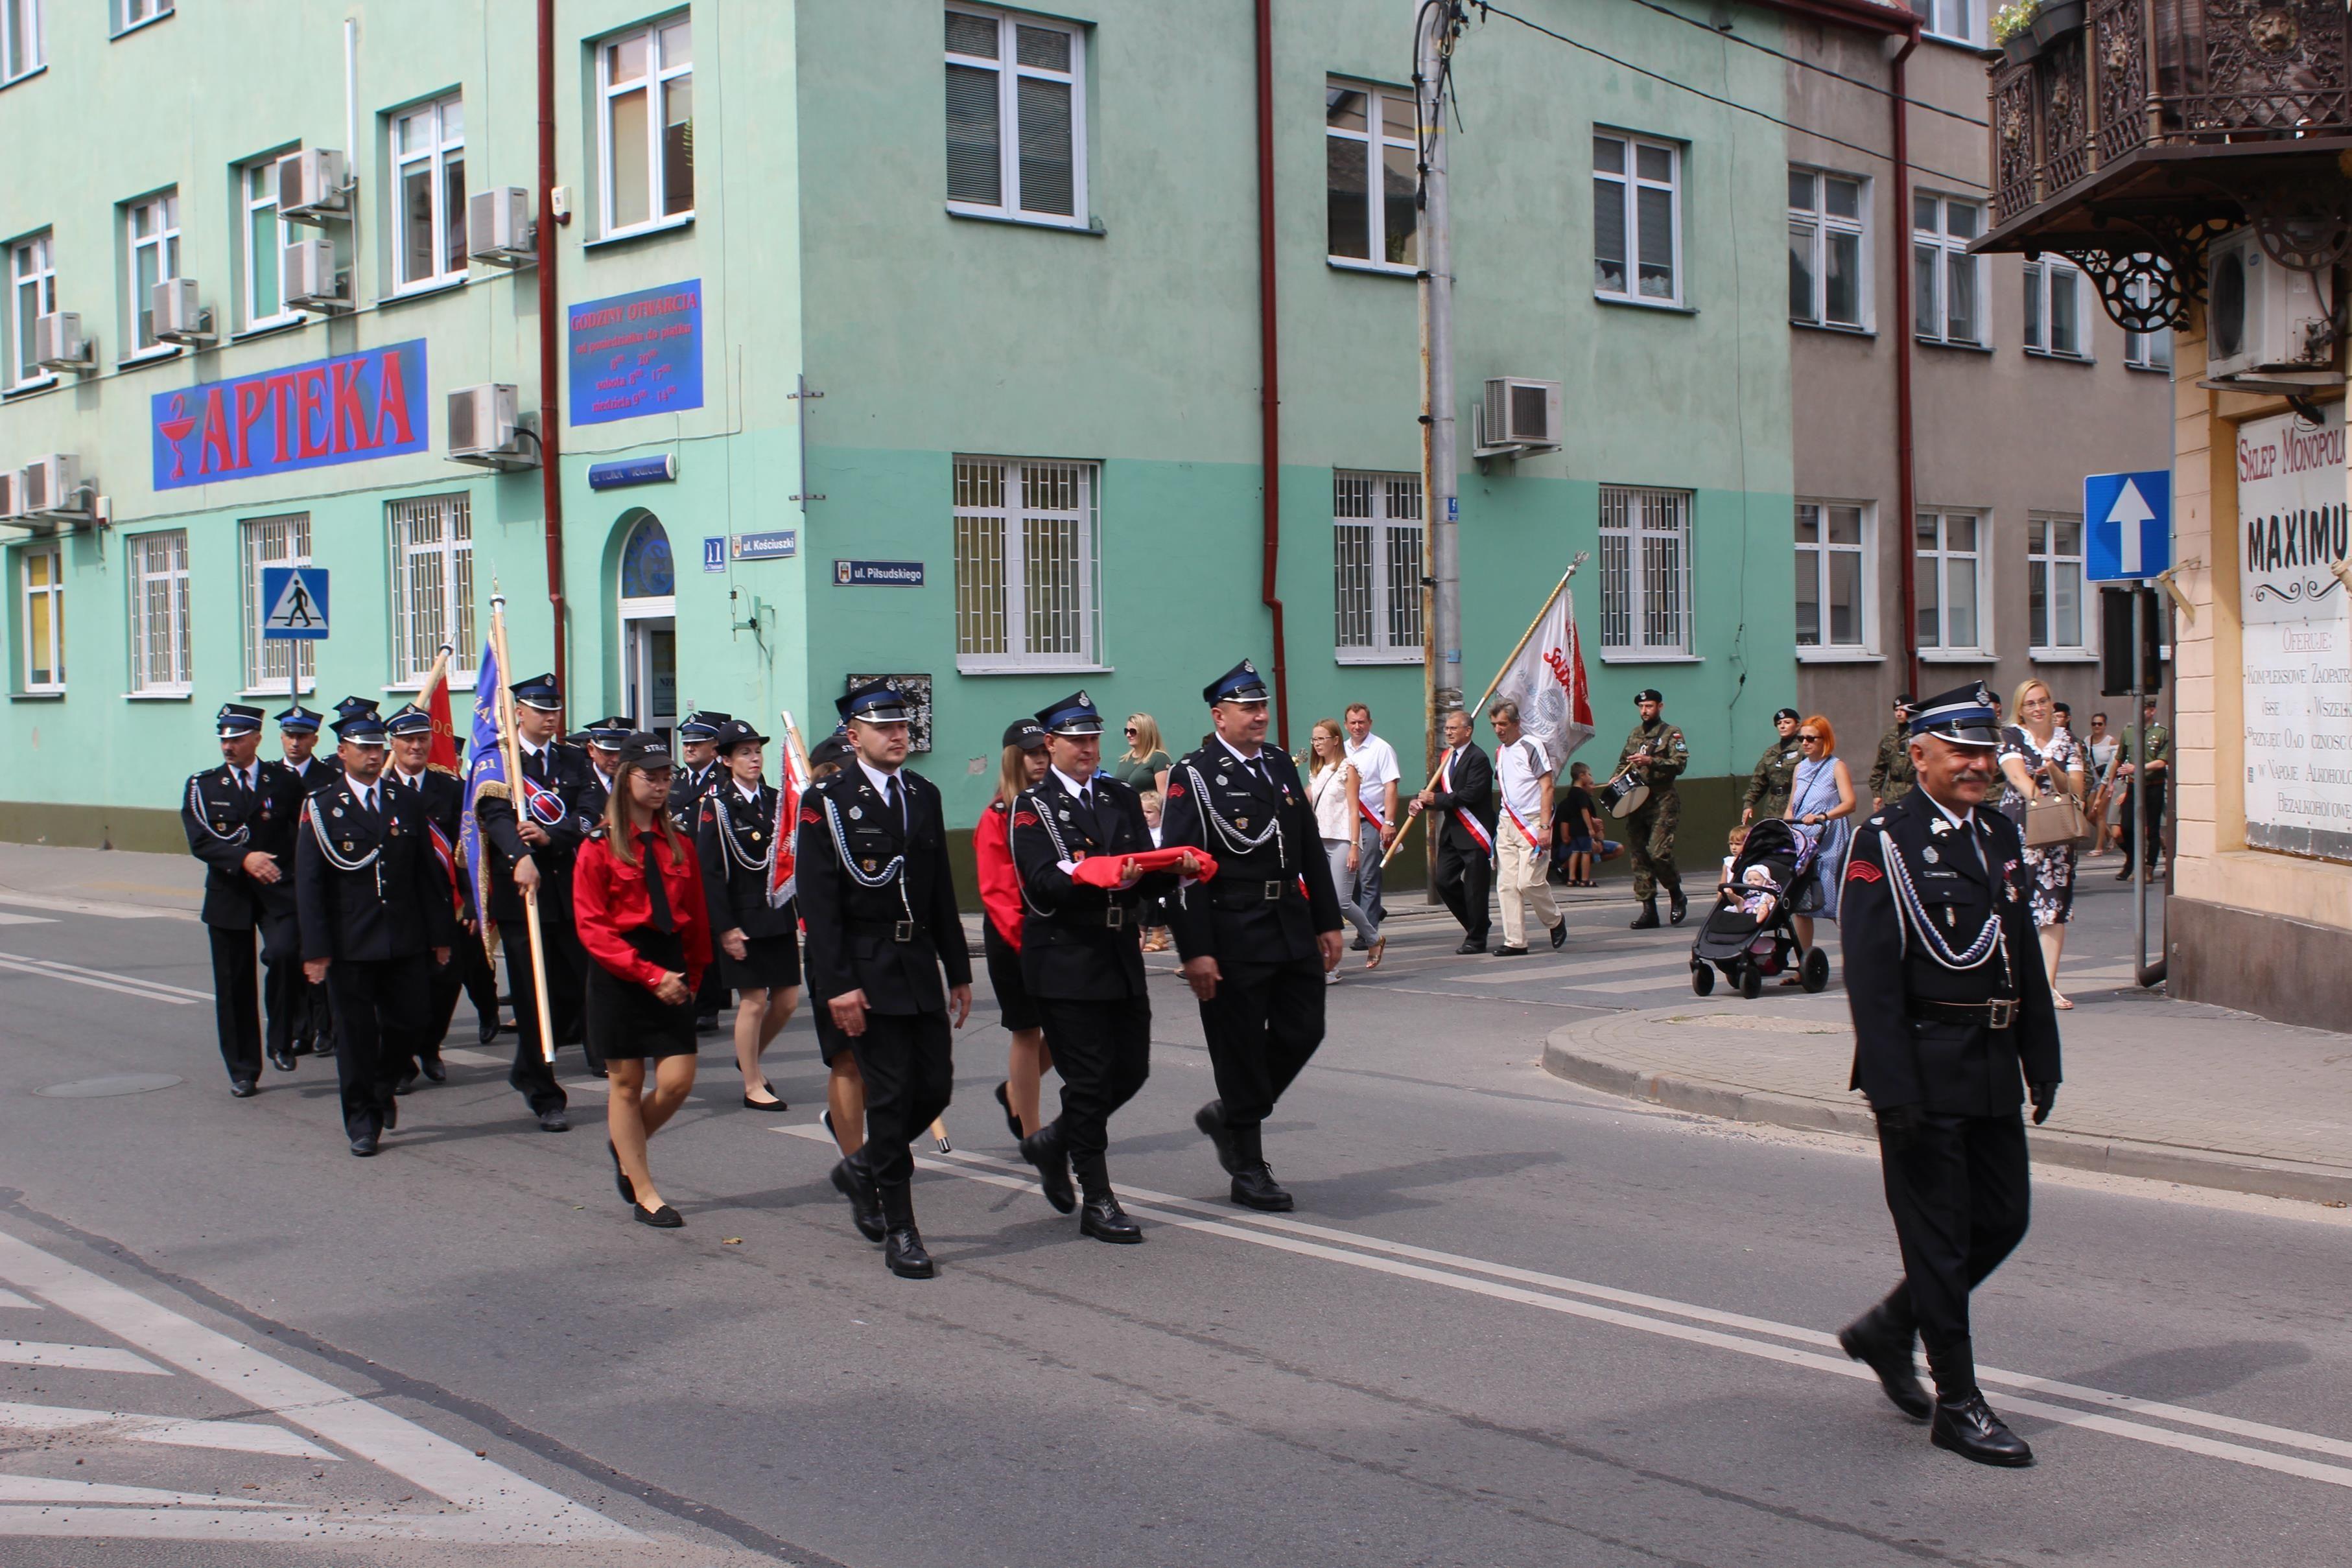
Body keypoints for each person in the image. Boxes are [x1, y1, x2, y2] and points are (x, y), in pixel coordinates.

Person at [1835, 681, 2062, 1468]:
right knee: (1936, 1241)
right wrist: (1892, 1088)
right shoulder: (1886, 843)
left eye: (1983, 751)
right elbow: (1870, 976)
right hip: (1924, 1069)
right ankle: (1957, 1403)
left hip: (1993, 1063)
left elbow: (2021, 954)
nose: (1976, 765)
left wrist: (2042, 1055)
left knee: (2002, 1219)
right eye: (1959, 751)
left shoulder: (1998, 834)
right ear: (1918, 754)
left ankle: (1888, 1329)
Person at [797, 681, 973, 1278]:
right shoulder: (826, 799)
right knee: (892, 1098)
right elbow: (819, 905)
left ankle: (862, 1166)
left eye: (904, 726)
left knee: (937, 1087)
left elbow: (940, 890)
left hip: (918, 965)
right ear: (854, 736)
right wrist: (838, 984)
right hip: (864, 970)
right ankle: (901, 1225)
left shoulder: (923, 793)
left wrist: (960, 969)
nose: (899, 736)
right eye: (884, 727)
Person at [1009, 691, 1196, 1243]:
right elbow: (1041, 882)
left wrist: (1174, 869)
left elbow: (1144, 871)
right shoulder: (1033, 806)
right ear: (1051, 744)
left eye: (1094, 737)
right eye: (1076, 740)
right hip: (1065, 956)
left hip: (1117, 951)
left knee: (1131, 1069)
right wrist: (1096, 873)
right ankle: (1098, 1197)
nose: (1088, 748)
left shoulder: (1117, 795)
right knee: (1088, 1081)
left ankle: (1053, 1141)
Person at [1161, 659, 1345, 1211]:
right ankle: (1248, 1164)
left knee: (1304, 1027)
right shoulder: (1192, 774)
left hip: (1289, 917)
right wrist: (1195, 949)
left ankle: (1231, 1113)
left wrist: (1328, 919)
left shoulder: (1280, 766)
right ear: (1220, 715)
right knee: (1239, 1047)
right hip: (1232, 926)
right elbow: (1181, 867)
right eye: (1248, 708)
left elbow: (1309, 843)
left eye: (1262, 706)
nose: (1260, 716)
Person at [293, 699, 457, 1157]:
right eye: (362, 747)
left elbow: (428, 873)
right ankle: (362, 1119)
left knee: (412, 1021)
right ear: (342, 751)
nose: (372, 754)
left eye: (376, 746)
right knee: (357, 1035)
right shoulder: (322, 806)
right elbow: (310, 884)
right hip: (351, 942)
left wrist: (441, 934)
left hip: (404, 936)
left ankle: (382, 1085)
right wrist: (316, 949)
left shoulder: (403, 799)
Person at [574, 733, 714, 1228]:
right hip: (621, 968)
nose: (660, 785)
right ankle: (644, 1187)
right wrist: (648, 975)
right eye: (649, 776)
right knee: (627, 1083)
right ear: (625, 778)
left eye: (666, 777)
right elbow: (592, 927)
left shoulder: (679, 844)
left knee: (677, 1082)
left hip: (669, 962)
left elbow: (695, 915)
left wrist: (693, 974)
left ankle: (625, 1144)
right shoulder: (596, 847)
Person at [473, 671, 598, 1131]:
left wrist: (550, 836)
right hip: (522, 894)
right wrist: (519, 855)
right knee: (532, 996)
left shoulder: (571, 760)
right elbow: (495, 815)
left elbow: (590, 814)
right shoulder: (499, 763)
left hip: (568, 892)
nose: (550, 718)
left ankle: (527, 1066)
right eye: (541, 710)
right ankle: (545, 1093)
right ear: (518, 712)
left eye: (554, 709)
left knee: (572, 989)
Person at [182, 703, 310, 1096]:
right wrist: (243, 859)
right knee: (234, 983)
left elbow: (303, 830)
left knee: (288, 954)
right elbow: (201, 840)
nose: (228, 747)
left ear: (256, 738)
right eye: (224, 740)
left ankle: (282, 1037)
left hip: (278, 889)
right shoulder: (202, 786)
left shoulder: (283, 781)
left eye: (236, 739)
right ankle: (242, 1068)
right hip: (230, 892)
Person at [697, 719, 801, 1110]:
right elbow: (710, 871)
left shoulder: (779, 800)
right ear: (725, 760)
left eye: (757, 751)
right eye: (744, 752)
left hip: (776, 913)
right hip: (741, 917)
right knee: (754, 1001)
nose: (754, 758)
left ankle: (749, 1055)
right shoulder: (717, 807)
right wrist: (725, 928)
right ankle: (752, 1083)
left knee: (788, 1000)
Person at [382, 703, 480, 1087]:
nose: (416, 746)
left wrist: (473, 900)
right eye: (408, 740)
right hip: (400, 904)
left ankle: (430, 1047)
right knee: (403, 986)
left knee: (445, 980)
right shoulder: (382, 789)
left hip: (446, 902)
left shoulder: (452, 789)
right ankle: (403, 1060)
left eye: (422, 739)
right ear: (394, 744)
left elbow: (469, 849)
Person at [977, 720, 1055, 1140]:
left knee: (1065, 1028)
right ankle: (1032, 1129)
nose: (1040, 759)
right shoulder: (998, 815)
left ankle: (1013, 1092)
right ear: (1013, 758)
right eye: (1031, 753)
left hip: (1056, 932)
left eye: (1044, 751)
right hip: (1016, 936)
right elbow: (996, 890)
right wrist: (1029, 942)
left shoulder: (1055, 806)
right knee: (1027, 1030)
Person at [802, 731, 871, 1167]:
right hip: (833, 949)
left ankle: (865, 1137)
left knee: (884, 1062)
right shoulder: (816, 813)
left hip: (879, 948)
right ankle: (856, 1157)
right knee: (847, 1060)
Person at [1998, 680, 2087, 1009]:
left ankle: (2047, 986)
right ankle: (2014, 980)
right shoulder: (2011, 737)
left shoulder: (2069, 743)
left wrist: (2055, 772)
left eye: (2043, 701)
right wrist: (2042, 801)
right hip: (2020, 829)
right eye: (2031, 703)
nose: (2038, 708)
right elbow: (2017, 777)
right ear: (2020, 709)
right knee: (2015, 903)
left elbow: (2076, 789)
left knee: (2054, 908)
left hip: (2058, 835)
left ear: (2052, 705)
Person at [276, 703, 340, 1060]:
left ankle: (325, 1027)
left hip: (322, 879)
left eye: (302, 736)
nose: (295, 743)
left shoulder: (329, 777)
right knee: (291, 956)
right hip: (284, 881)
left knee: (322, 953)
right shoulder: (270, 778)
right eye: (289, 736)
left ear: (315, 739)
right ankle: (300, 1030)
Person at [1411, 708, 1497, 954]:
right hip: (1452, 831)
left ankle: (1477, 938)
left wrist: (1435, 799)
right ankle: (1474, 923)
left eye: (1453, 728)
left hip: (1474, 831)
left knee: (1474, 887)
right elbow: (1436, 787)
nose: (1448, 731)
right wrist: (1421, 799)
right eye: (1447, 728)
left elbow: (1471, 794)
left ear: (1467, 731)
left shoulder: (1478, 758)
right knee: (1444, 881)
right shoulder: (1447, 757)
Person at [1303, 719, 1384, 970]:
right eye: (1314, 739)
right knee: (1318, 901)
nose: (1317, 744)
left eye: (1322, 739)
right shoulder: (1317, 771)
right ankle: (1326, 960)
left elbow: (1353, 810)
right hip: (1319, 841)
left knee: (1341, 901)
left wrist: (1353, 845)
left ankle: (1373, 938)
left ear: (1336, 740)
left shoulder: (1347, 768)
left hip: (1341, 840)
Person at [672, 709, 734, 1034]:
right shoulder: (675, 780)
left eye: (698, 743)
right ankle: (689, 999)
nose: (690, 748)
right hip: (679, 868)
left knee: (709, 935)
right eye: (687, 743)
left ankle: (708, 1007)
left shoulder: (724, 779)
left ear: (714, 746)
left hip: (712, 869)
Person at [1488, 700, 1565, 957]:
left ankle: (1554, 920)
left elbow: (1547, 786)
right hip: (1507, 822)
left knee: (1529, 882)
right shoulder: (1500, 752)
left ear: (1516, 723)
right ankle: (1515, 941)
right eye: (1494, 725)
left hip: (1532, 822)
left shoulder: (1531, 746)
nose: (1498, 729)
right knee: (1507, 884)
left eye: (1503, 724)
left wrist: (1545, 827)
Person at [1783, 714, 1857, 968]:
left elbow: (1850, 803)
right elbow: (1792, 806)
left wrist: (1825, 816)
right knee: (1801, 906)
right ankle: (1806, 965)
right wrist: (1788, 825)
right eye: (1801, 738)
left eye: (1810, 738)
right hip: (1805, 841)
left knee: (1837, 902)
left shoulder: (1836, 766)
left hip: (1830, 839)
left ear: (1824, 740)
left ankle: (1857, 962)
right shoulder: (1800, 768)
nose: (1804, 743)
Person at [1617, 690, 1689, 928]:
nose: (1644, 711)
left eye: (1649, 706)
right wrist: (1615, 781)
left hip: (1662, 800)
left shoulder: (1672, 733)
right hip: (1637, 801)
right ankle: (1649, 910)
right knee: (1639, 855)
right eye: (1641, 707)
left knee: (1658, 852)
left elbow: (1679, 764)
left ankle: (1676, 893)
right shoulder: (1635, 734)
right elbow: (1623, 763)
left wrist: (1652, 761)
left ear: (1660, 706)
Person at [1341, 704, 1402, 935]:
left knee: (1368, 876)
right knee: (1348, 878)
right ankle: (1374, 910)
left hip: (1372, 820)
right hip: (1346, 823)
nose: (1357, 727)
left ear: (1370, 723)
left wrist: (1389, 822)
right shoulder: (1341, 749)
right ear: (1346, 725)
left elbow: (1390, 786)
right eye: (1353, 722)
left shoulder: (1381, 748)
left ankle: (1367, 932)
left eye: (1362, 722)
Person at [2115, 694, 2169, 880]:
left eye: (2144, 708)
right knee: (2127, 827)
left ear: (2152, 711)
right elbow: (2119, 757)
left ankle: (2148, 867)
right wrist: (2109, 785)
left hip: (2154, 785)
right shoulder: (2129, 731)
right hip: (2133, 785)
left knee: (2152, 829)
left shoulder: (2162, 733)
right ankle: (2132, 860)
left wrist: (2137, 768)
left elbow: (2162, 762)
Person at [1741, 709, 1805, 826]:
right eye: (1779, 723)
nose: (1782, 726)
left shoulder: (1803, 749)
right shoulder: (1771, 752)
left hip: (1797, 808)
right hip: (1772, 810)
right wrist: (1749, 804)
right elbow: (1758, 781)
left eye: (1787, 722)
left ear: (1797, 725)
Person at [1551, 761, 1607, 887]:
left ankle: (1571, 878)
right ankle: (1585, 879)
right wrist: (1590, 828)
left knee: (1575, 852)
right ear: (1582, 776)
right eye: (1589, 774)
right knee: (1586, 853)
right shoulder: (1582, 794)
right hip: (1582, 830)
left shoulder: (1572, 793)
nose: (1591, 777)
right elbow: (1584, 810)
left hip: (1574, 831)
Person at [1869, 695, 1916, 811]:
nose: (1899, 714)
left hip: (1914, 791)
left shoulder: (1918, 733)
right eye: (1896, 710)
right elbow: (1880, 766)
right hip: (1892, 794)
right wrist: (1877, 794)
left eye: (1902, 710)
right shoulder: (1889, 736)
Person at [1110, 712, 1173, 797]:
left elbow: (1164, 796)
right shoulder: (1125, 760)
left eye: (1133, 731)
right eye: (1126, 731)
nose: (1128, 735)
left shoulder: (1159, 758)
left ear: (1145, 733)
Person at [2086, 711, 2123, 855]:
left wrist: (2110, 782)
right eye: (2094, 724)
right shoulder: (2087, 740)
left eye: (2099, 724)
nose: (2096, 726)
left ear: (2105, 725)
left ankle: (2099, 847)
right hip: (2093, 781)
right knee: (2090, 815)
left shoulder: (2111, 742)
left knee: (2100, 813)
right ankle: (2108, 835)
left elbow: (2115, 763)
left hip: (2107, 781)